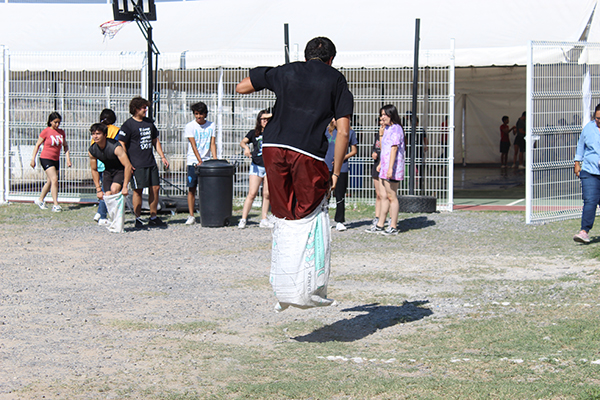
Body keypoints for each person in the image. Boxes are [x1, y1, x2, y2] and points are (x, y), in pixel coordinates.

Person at [236, 36, 353, 311]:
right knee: (308, 213)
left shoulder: (286, 70)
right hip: (307, 152)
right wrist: (335, 173)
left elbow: (242, 87)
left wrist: (280, 83)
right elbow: (344, 132)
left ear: (305, 56)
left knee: (284, 215)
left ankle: (285, 288)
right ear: (331, 60)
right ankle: (307, 289)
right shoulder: (336, 80)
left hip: (273, 147)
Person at [119, 96, 169, 229]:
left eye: (146, 107)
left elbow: (155, 140)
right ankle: (138, 218)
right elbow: (122, 142)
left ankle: (153, 217)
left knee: (155, 188)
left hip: (150, 162)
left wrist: (162, 156)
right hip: (137, 163)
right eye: (143, 107)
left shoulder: (149, 122)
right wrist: (127, 162)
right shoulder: (128, 125)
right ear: (135, 109)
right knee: (138, 191)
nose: (145, 109)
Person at [366, 104, 405, 236]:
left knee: (391, 196)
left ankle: (393, 225)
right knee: (383, 196)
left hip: (393, 168)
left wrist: (389, 168)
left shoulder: (397, 129)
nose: (382, 117)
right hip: (384, 166)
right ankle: (380, 224)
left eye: (384, 114)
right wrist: (381, 135)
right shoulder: (387, 129)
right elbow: (384, 148)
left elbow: (393, 149)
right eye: (381, 114)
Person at [30, 112, 72, 212]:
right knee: (54, 180)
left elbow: (65, 146)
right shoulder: (46, 131)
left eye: (59, 122)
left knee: (50, 181)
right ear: (50, 121)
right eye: (55, 122)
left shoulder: (61, 132)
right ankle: (55, 204)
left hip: (55, 159)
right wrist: (33, 159)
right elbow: (37, 145)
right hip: (46, 158)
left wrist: (68, 159)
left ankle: (40, 199)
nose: (57, 125)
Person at [238, 110, 273, 229]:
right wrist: (246, 148)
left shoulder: (273, 132)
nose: (265, 121)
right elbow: (243, 142)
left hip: (269, 166)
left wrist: (270, 115)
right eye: (263, 119)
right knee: (252, 193)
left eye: (267, 119)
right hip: (256, 166)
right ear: (259, 120)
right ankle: (243, 218)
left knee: (266, 194)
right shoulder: (254, 133)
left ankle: (264, 219)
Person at [184, 102, 217, 225]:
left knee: (208, 190)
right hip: (193, 161)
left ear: (205, 114)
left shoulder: (211, 125)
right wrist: (199, 160)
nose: (198, 117)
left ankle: (207, 213)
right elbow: (193, 145)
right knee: (192, 188)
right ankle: (191, 215)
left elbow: (212, 143)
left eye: (201, 114)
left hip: (207, 161)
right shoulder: (190, 126)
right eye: (196, 114)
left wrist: (214, 159)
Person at [324, 118, 358, 231]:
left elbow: (354, 150)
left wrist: (341, 158)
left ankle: (340, 220)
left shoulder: (350, 132)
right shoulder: (327, 131)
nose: (335, 121)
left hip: (342, 168)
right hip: (326, 166)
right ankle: (324, 219)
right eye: (333, 119)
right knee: (325, 194)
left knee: (340, 194)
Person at [573, 104, 600, 244]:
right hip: (590, 171)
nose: (599, 121)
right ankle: (584, 232)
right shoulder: (589, 128)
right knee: (590, 200)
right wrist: (577, 162)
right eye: (597, 118)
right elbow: (581, 145)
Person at [88, 122, 132, 206]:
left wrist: (125, 186)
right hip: (108, 170)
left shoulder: (115, 147)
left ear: (105, 135)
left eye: (98, 134)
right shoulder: (92, 150)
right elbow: (94, 169)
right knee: (107, 196)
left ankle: (118, 218)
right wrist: (98, 189)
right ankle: (111, 218)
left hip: (120, 170)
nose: (95, 136)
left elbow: (127, 165)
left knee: (114, 189)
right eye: (93, 134)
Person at [93, 109, 120, 225]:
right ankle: (102, 215)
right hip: (108, 164)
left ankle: (100, 212)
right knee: (106, 190)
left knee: (102, 189)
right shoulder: (115, 130)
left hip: (97, 163)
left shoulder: (96, 131)